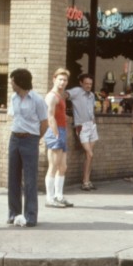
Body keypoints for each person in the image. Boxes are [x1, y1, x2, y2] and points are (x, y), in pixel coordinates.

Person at [7, 68, 48, 227]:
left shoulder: (37, 100)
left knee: (30, 179)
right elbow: (14, 117)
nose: (11, 83)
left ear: (20, 82)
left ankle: (30, 216)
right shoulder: (13, 98)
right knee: (13, 177)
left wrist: (36, 138)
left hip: (30, 139)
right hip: (15, 138)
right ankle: (13, 214)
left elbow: (44, 123)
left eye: (13, 80)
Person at [43, 68, 73, 209]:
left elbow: (60, 115)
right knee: (53, 166)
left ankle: (58, 196)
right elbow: (50, 117)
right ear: (54, 79)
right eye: (60, 79)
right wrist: (55, 134)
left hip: (61, 130)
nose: (62, 82)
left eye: (65, 80)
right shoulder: (52, 96)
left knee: (63, 166)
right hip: (55, 132)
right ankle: (49, 198)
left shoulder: (61, 96)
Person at [67, 73, 100, 190]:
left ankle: (87, 181)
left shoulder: (91, 95)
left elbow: (91, 110)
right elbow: (64, 95)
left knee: (89, 156)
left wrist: (94, 122)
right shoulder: (76, 91)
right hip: (81, 126)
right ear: (81, 83)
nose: (88, 86)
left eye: (90, 84)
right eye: (86, 83)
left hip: (92, 125)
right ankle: (85, 181)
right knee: (90, 153)